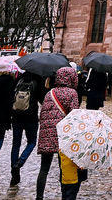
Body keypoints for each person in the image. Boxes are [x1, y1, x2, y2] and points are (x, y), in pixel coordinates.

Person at [36, 66, 80, 200]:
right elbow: (74, 116)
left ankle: (39, 196)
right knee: (64, 168)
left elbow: (43, 114)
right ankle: (64, 195)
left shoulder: (49, 93)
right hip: (63, 136)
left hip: (47, 134)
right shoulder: (72, 93)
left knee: (44, 168)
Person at [10, 70, 45, 186]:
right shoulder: (38, 80)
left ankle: (14, 175)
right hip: (31, 117)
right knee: (32, 142)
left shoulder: (19, 79)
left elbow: (12, 96)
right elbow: (42, 100)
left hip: (16, 116)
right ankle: (20, 162)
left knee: (16, 144)